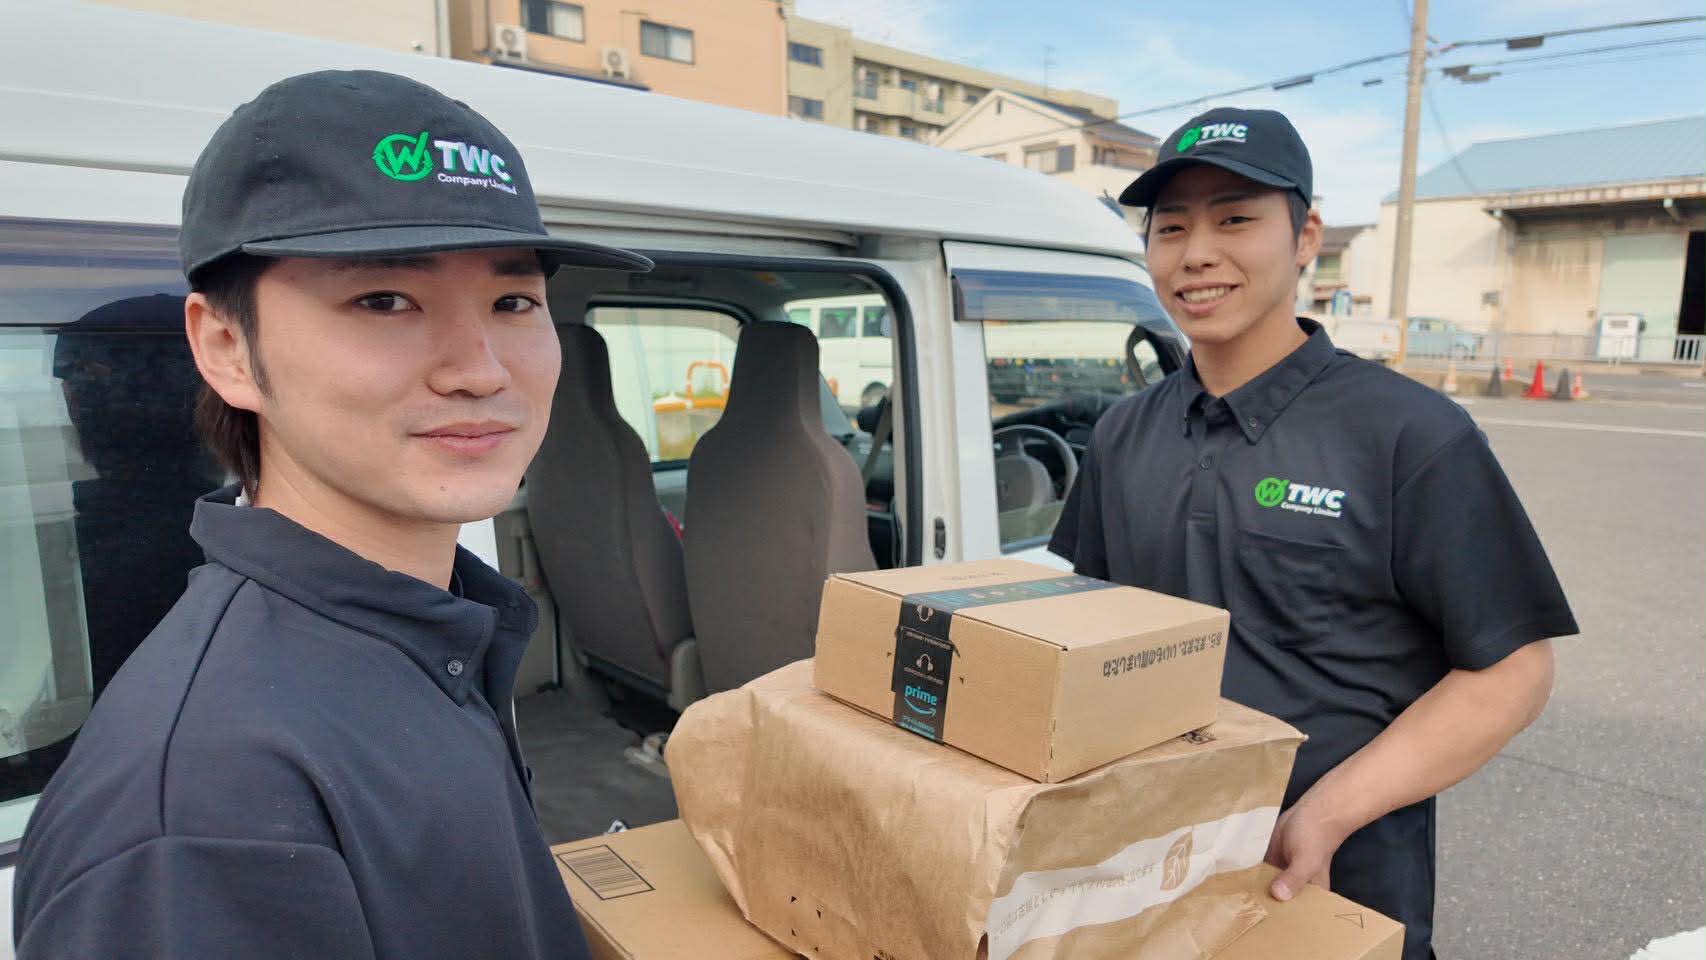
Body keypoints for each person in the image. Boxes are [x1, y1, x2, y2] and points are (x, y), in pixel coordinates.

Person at [13, 70, 653, 959]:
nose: (480, 369)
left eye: (512, 302)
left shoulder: (431, 629)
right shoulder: (206, 814)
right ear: (227, 349)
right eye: (383, 301)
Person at [1049, 107, 1576, 960]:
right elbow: (1093, 626)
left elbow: (1514, 669)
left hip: (1336, 875)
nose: (1196, 253)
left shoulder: (1408, 434)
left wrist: (1324, 814)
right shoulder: (1123, 433)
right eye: (1170, 228)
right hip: (1147, 861)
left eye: (1235, 219)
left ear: (1305, 238)